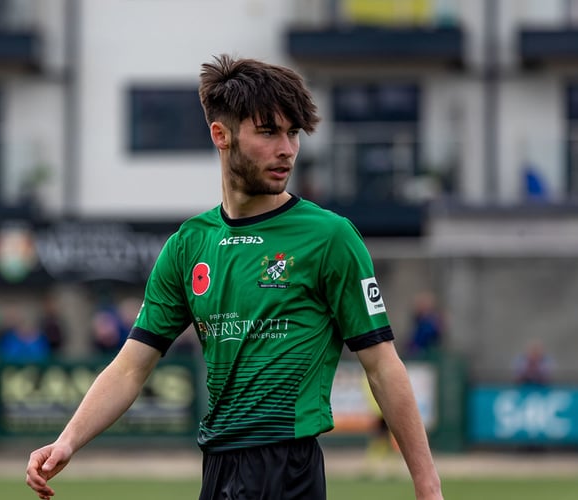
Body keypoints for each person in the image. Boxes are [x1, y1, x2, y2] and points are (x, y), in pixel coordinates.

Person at [25, 54, 443, 500]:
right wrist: (67, 440)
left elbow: (382, 365)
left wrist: (427, 485)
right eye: (268, 132)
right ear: (220, 135)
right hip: (217, 467)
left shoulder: (330, 237)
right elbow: (130, 367)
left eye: (292, 133)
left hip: (288, 469)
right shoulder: (188, 245)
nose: (287, 149)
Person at [405, 291, 444, 358]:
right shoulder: (418, 319)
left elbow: (430, 337)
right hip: (416, 352)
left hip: (428, 353)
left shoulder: (432, 321)